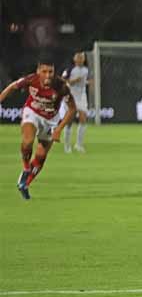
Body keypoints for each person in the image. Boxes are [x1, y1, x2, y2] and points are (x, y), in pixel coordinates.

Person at [0, 57, 76, 199]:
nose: (48, 75)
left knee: (41, 156)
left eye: (51, 72)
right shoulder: (30, 80)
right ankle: (26, 168)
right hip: (32, 112)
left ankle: (25, 183)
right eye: (44, 71)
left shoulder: (61, 86)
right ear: (38, 71)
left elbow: (72, 109)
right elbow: (12, 87)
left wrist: (59, 129)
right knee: (27, 141)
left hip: (51, 120)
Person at [61, 51, 91, 153]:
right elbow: (63, 81)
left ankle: (79, 144)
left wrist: (89, 82)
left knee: (83, 118)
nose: (80, 59)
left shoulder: (86, 70)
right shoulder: (69, 69)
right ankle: (67, 146)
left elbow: (86, 80)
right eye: (78, 57)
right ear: (74, 59)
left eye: (82, 57)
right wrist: (74, 81)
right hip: (71, 96)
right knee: (69, 121)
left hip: (82, 96)